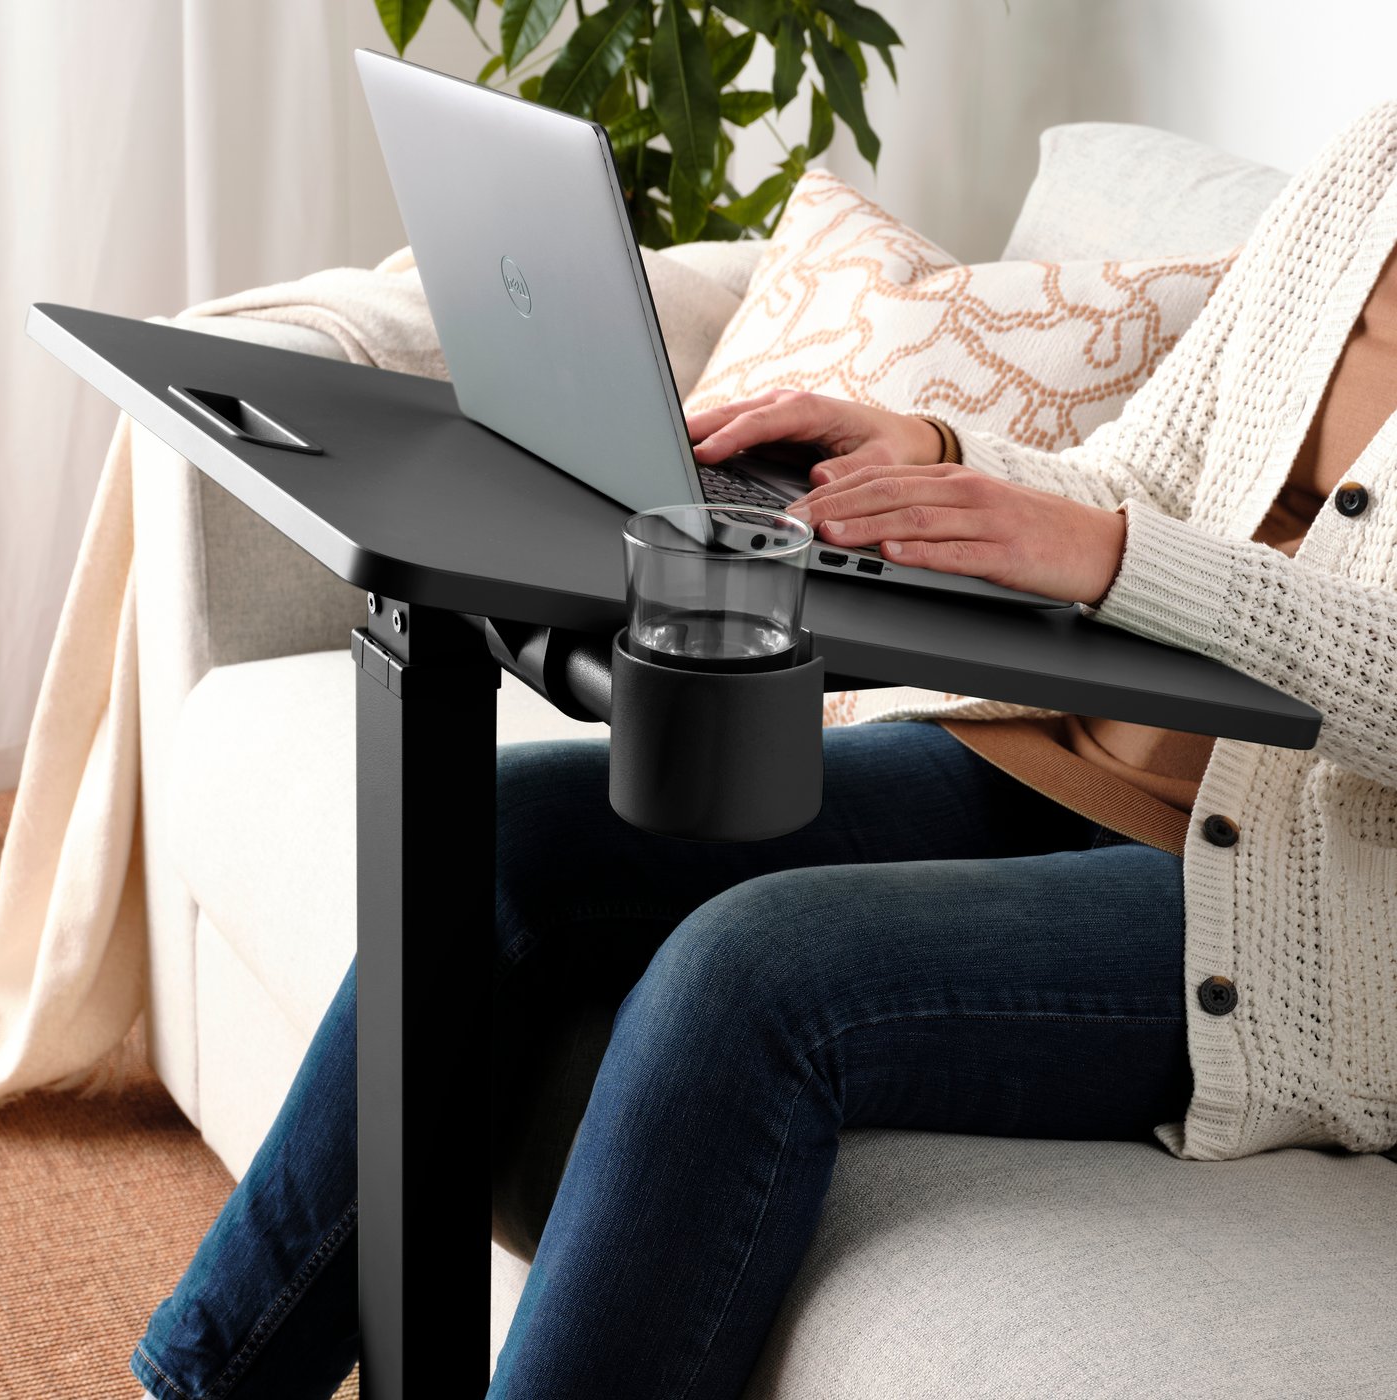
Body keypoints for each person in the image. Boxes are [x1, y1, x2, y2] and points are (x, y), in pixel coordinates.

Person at [132, 102, 1397, 1400]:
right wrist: (942, 456)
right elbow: (1154, 471)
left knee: (752, 975)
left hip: (1321, 907)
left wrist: (1115, 557)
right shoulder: (1374, 165)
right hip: (1075, 750)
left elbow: (1173, 560)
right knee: (511, 840)